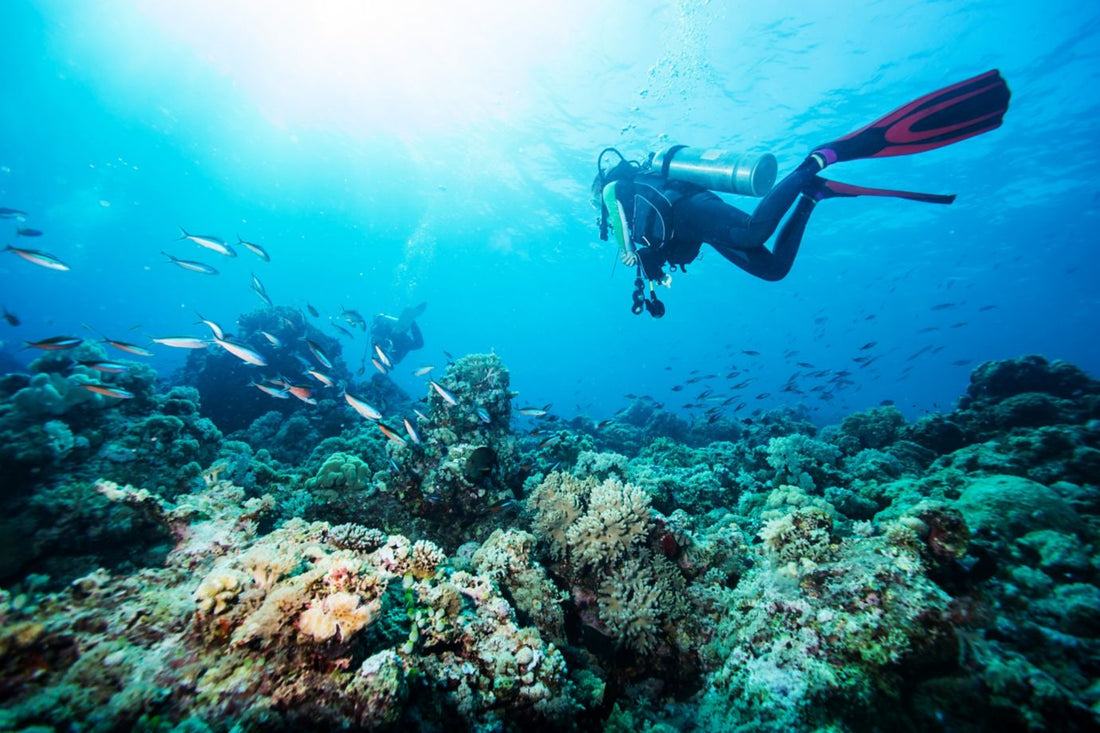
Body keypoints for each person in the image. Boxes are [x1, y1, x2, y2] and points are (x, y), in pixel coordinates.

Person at [593, 70, 1011, 317]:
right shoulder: (634, 215)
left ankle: (817, 160)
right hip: (693, 225)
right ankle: (813, 194)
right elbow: (658, 248)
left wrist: (625, 239)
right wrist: (652, 273)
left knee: (753, 233)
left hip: (689, 206)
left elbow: (613, 194)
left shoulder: (619, 192)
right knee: (773, 270)